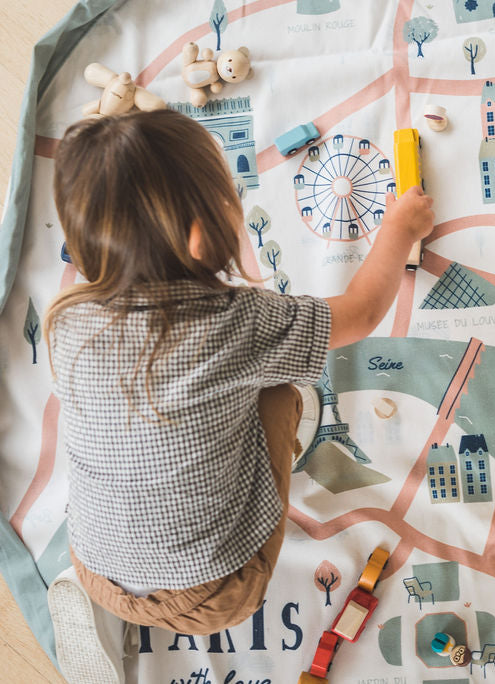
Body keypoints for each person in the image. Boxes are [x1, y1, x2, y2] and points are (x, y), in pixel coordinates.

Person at [43, 109, 434, 683]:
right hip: (220, 594)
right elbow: (362, 312)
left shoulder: (66, 317)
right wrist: (399, 228)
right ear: (203, 238)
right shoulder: (237, 321)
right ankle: (146, 603)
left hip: (97, 563)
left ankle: (109, 612)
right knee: (280, 387)